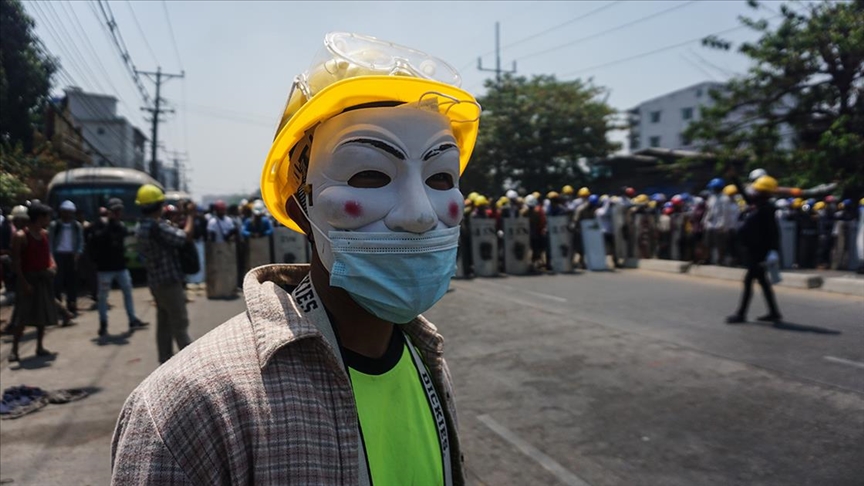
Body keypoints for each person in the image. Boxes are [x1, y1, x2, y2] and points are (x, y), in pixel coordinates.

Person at [112, 32, 477, 484]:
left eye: (441, 178)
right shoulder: (194, 409)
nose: (420, 214)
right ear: (299, 201)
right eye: (368, 175)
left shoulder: (427, 359)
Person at [134, 184, 196, 364]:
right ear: (158, 206)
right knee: (180, 324)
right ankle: (193, 363)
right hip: (169, 283)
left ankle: (165, 360)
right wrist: (191, 216)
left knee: (164, 325)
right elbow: (185, 237)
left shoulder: (142, 226)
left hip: (156, 282)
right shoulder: (156, 227)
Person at [88, 198, 148, 337]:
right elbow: (96, 240)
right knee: (103, 297)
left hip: (121, 266)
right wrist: (109, 223)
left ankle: (132, 319)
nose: (117, 213)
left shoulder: (120, 226)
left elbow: (123, 242)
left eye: (119, 211)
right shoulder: (100, 224)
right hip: (105, 268)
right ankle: (103, 324)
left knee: (128, 292)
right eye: (115, 211)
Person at [726, 175, 783, 324]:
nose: (755, 192)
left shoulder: (767, 209)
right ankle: (774, 312)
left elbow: (773, 232)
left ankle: (741, 314)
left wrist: (772, 250)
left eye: (758, 190)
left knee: (748, 281)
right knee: (763, 282)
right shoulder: (758, 204)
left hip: (759, 253)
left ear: (765, 193)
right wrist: (735, 178)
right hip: (753, 250)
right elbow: (745, 195)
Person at [8, 203, 57, 361]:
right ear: (40, 217)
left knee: (42, 315)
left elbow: (48, 254)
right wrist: (24, 284)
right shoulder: (21, 236)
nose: (49, 219)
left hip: (43, 278)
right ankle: (14, 350)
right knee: (22, 316)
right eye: (47, 216)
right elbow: (16, 263)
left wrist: (52, 265)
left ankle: (40, 346)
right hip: (28, 279)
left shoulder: (45, 234)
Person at [49, 200, 84, 316]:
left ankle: (72, 304)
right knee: (57, 282)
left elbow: (80, 241)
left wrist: (78, 253)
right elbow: (51, 242)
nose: (68, 214)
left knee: (72, 281)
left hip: (71, 255)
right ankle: (59, 307)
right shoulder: (55, 225)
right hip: (58, 255)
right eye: (65, 212)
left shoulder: (76, 226)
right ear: (61, 212)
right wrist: (51, 256)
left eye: (70, 212)